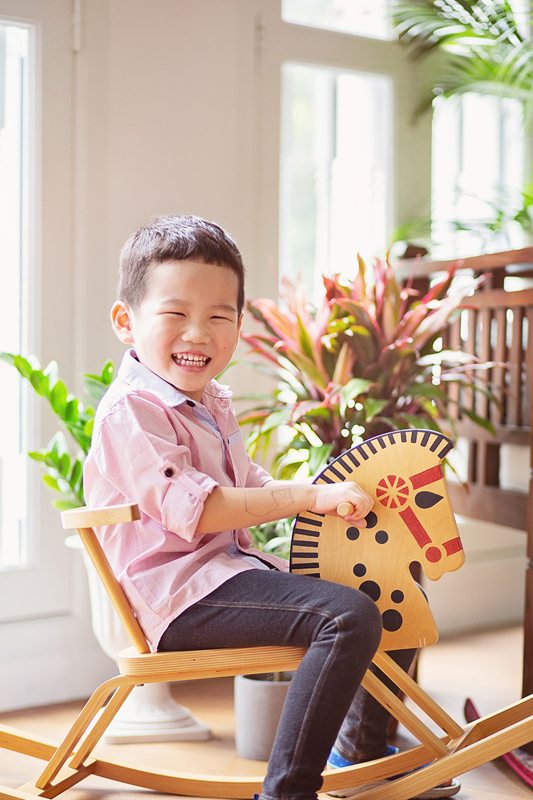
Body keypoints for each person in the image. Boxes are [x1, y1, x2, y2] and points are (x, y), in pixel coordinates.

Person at [83, 214, 459, 800]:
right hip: (180, 595)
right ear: (126, 322)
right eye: (176, 314)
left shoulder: (209, 400)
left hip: (229, 577)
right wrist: (308, 497)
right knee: (345, 616)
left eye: (219, 317)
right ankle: (286, 791)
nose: (198, 334)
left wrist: (332, 494)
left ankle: (360, 746)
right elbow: (202, 511)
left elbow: (249, 480)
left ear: (239, 322)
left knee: (391, 585)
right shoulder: (131, 412)